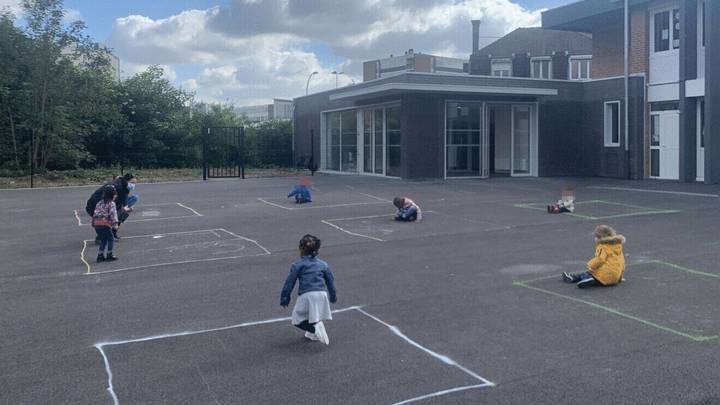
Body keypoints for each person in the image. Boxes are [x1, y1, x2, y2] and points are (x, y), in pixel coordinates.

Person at [280, 234, 337, 345]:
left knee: (297, 319)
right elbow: (331, 281)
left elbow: (289, 283)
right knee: (312, 314)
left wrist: (285, 298)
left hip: (307, 294)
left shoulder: (298, 265)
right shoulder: (323, 264)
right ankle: (312, 333)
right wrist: (333, 296)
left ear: (301, 249)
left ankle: (315, 329)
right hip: (322, 293)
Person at [92, 185, 119, 262]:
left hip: (97, 224)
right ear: (112, 195)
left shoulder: (99, 203)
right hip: (105, 224)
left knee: (103, 239)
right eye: (115, 194)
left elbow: (95, 213)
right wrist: (115, 224)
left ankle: (100, 255)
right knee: (111, 239)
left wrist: (93, 222)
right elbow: (112, 214)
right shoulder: (111, 204)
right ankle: (109, 254)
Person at [111, 173, 139, 240]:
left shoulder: (125, 185)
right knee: (115, 219)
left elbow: (125, 197)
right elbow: (122, 197)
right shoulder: (120, 185)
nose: (133, 185)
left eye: (134, 183)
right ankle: (104, 237)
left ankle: (113, 234)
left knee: (120, 217)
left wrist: (126, 207)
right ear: (128, 181)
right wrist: (126, 207)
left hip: (118, 203)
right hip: (113, 204)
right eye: (132, 182)